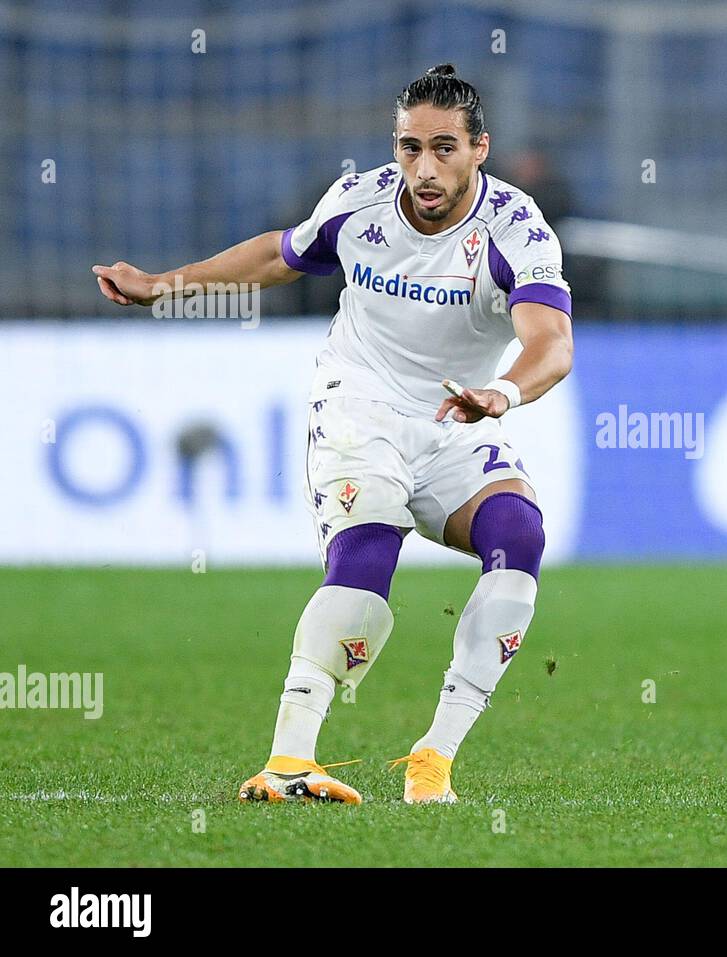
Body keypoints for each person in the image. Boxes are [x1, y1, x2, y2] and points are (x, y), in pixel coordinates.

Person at [91, 64, 574, 806]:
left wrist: (502, 392)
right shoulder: (362, 202)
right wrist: (166, 283)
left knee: (520, 535)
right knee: (369, 549)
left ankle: (432, 762)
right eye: (410, 147)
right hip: (359, 403)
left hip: (458, 413)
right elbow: (278, 255)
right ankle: (289, 759)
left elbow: (552, 344)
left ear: (481, 148)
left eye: (444, 148)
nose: (423, 167)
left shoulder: (516, 227)